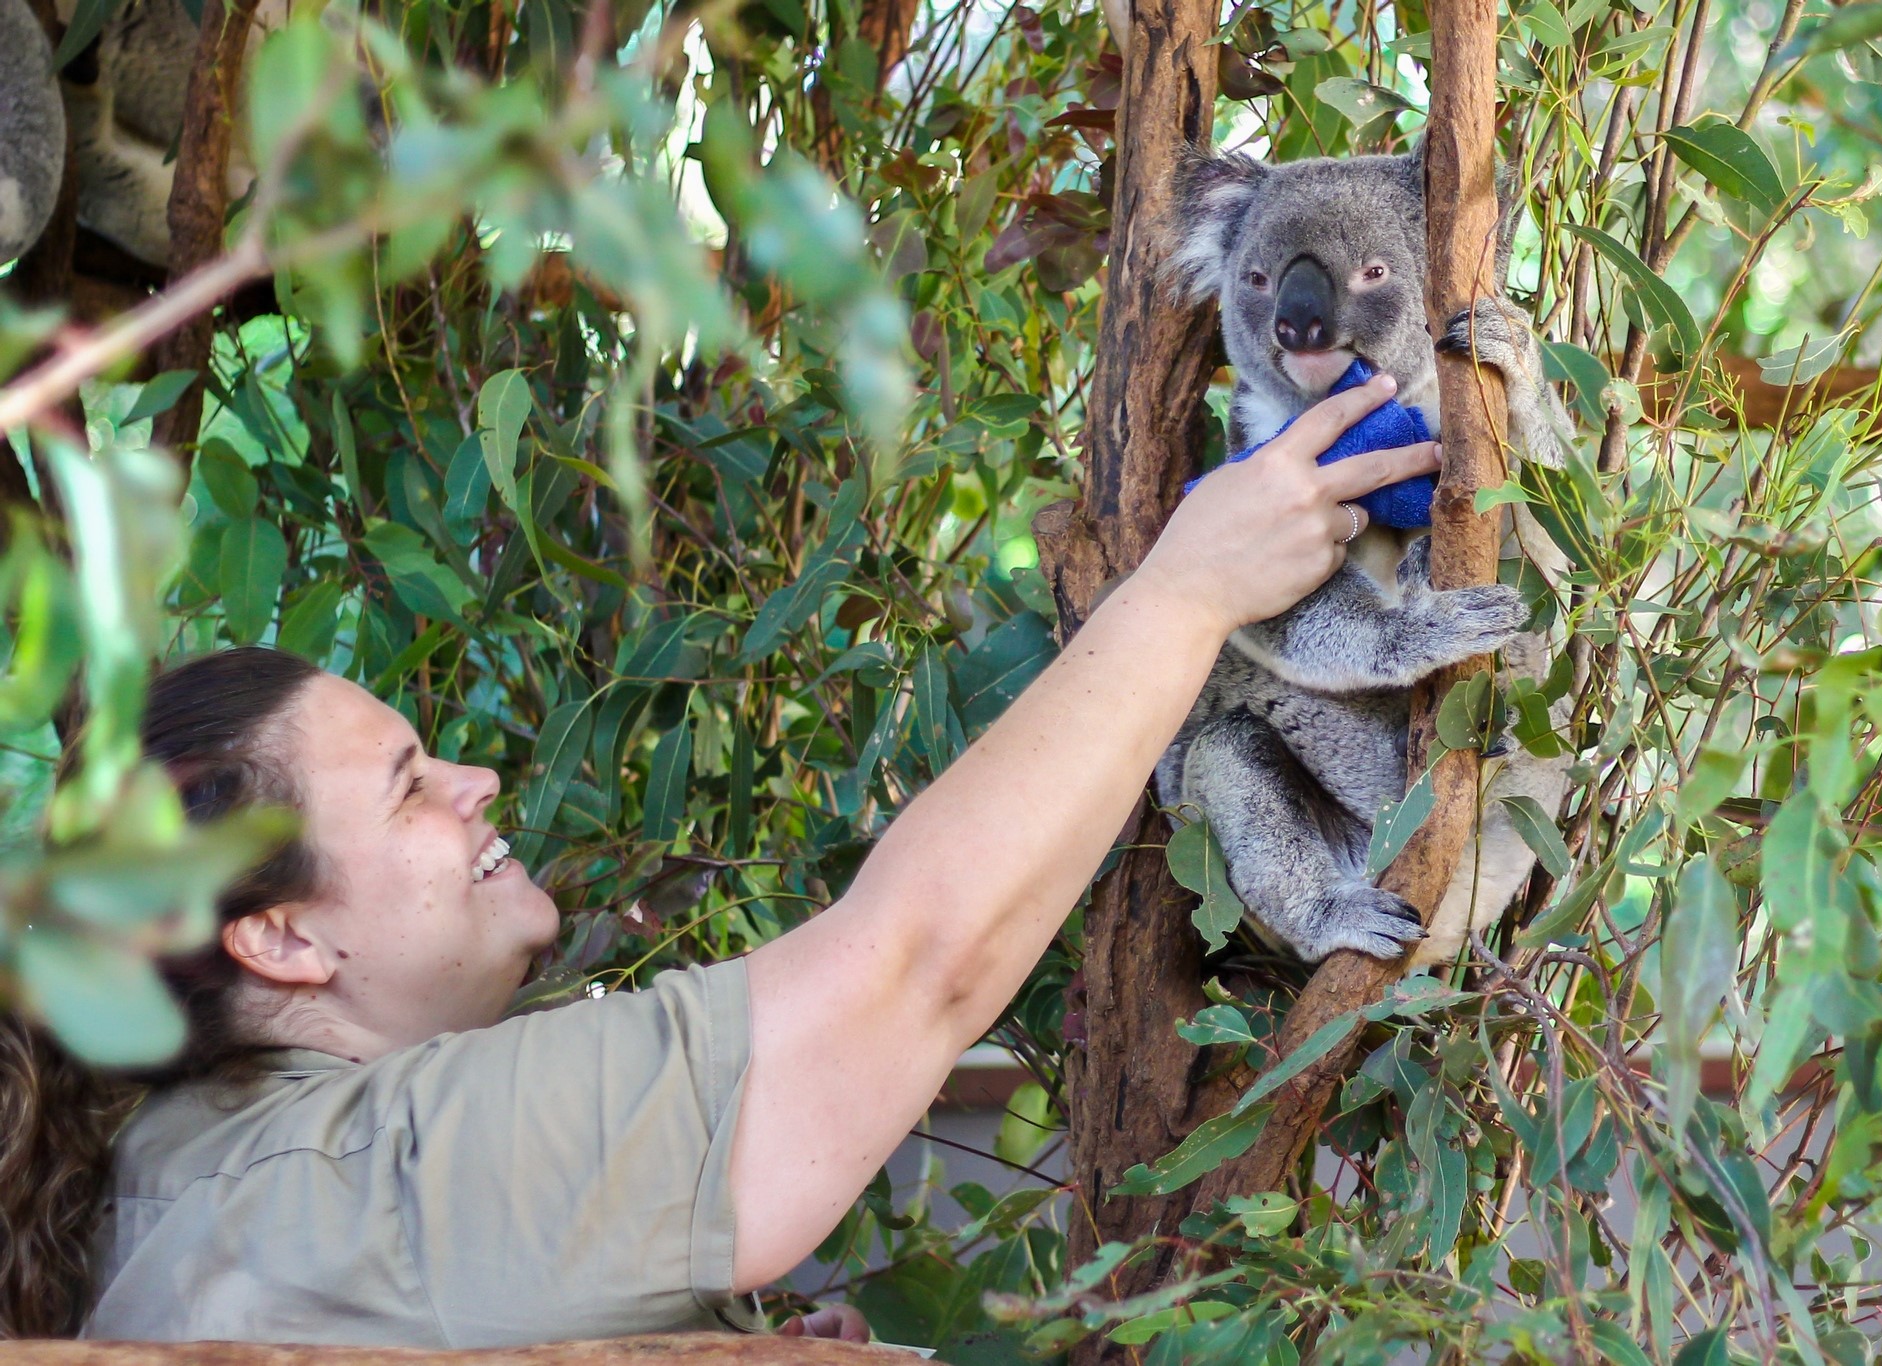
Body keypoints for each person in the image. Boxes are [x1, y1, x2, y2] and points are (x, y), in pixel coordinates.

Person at [0, 377, 1439, 1346]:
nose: (478, 780)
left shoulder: (198, 1177)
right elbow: (908, 966)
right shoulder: (363, 1170)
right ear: (282, 940)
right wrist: (1189, 589)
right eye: (408, 786)